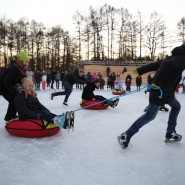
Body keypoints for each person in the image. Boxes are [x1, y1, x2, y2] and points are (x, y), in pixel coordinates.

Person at [118, 44, 185, 148]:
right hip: (159, 92)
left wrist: (140, 70)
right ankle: (126, 135)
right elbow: (166, 65)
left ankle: (170, 132)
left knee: (176, 106)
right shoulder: (179, 59)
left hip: (168, 92)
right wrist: (157, 83)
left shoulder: (177, 57)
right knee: (150, 116)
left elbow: (157, 64)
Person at [0, 50, 30, 123]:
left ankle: (11, 116)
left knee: (15, 100)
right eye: (26, 62)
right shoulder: (13, 68)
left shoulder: (20, 69)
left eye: (28, 62)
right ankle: (9, 118)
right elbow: (7, 81)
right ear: (21, 61)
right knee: (14, 101)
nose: (27, 64)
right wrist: (14, 92)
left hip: (9, 88)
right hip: (4, 88)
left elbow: (18, 80)